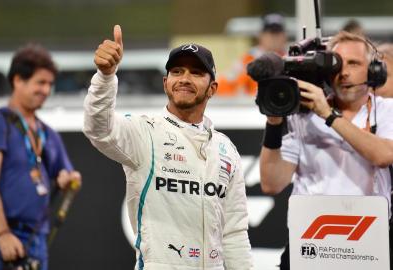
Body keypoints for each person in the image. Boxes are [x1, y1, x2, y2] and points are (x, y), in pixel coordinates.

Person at [83, 25, 253, 270]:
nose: (184, 78)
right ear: (166, 83)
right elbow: (99, 129)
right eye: (177, 71)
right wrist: (105, 77)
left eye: (196, 72)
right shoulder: (145, 132)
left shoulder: (226, 149)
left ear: (212, 89)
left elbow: (234, 231)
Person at [259, 31, 393, 269]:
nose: (344, 72)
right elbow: (272, 184)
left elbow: (383, 155)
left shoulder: (387, 110)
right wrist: (274, 123)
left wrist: (329, 115)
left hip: (368, 244)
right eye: (338, 63)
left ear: (374, 71)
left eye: (354, 63)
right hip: (310, 242)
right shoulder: (302, 115)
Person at [0, 44, 82, 270]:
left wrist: (68, 180)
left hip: (37, 238)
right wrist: (2, 234)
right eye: (40, 82)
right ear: (18, 80)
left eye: (50, 84)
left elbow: (68, 175)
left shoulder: (48, 133)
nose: (46, 90)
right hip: (2, 235)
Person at [217, 13, 287, 96]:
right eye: (270, 33)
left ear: (285, 36)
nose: (274, 37)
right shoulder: (249, 59)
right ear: (261, 36)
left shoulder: (292, 58)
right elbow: (227, 84)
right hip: (253, 106)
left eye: (278, 33)